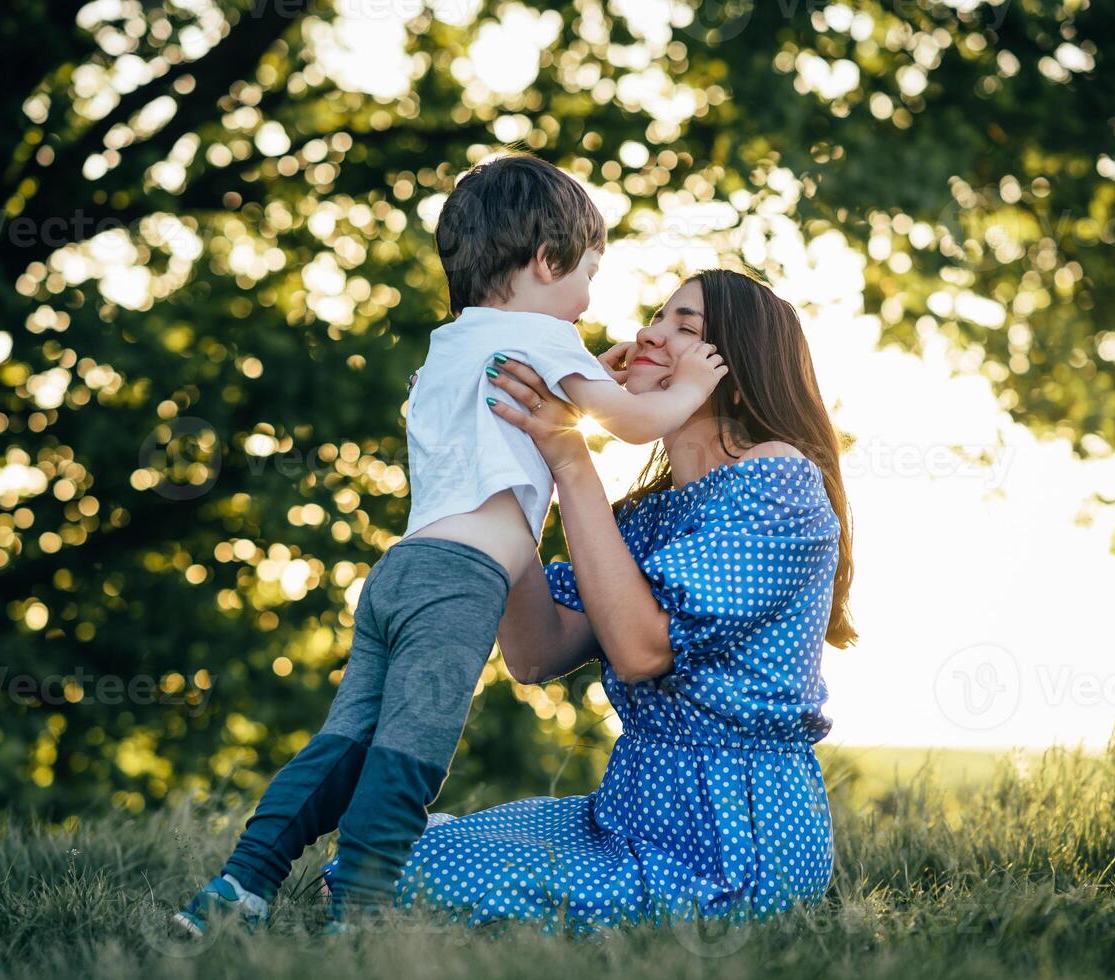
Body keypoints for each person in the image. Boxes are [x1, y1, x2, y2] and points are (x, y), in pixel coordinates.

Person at [175, 154, 728, 934]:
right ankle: (361, 914)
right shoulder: (547, 335)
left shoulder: (456, 342)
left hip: (402, 573)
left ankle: (241, 884)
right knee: (410, 755)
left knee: (345, 744)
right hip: (462, 583)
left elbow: (539, 398)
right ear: (547, 260)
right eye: (588, 275)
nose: (588, 300)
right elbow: (634, 422)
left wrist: (585, 373)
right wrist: (691, 388)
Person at [342, 268, 858, 931]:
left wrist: (568, 455)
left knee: (396, 876)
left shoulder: (777, 480)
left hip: (732, 839)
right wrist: (497, 464)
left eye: (685, 326)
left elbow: (642, 651)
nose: (649, 331)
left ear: (735, 366)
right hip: (627, 809)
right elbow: (536, 651)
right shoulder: (647, 517)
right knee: (384, 853)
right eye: (657, 315)